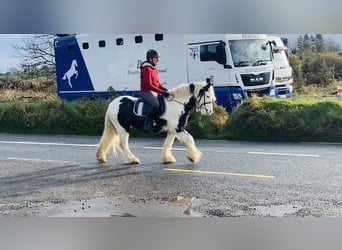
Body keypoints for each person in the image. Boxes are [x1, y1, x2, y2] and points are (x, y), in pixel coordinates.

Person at [140, 49, 170, 131]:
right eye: (156, 58)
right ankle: (147, 124)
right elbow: (149, 85)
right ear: (150, 59)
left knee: (164, 102)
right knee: (156, 105)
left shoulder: (154, 69)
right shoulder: (146, 69)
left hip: (153, 92)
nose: (158, 60)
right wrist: (162, 92)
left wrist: (168, 91)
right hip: (146, 92)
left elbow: (158, 84)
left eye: (158, 58)